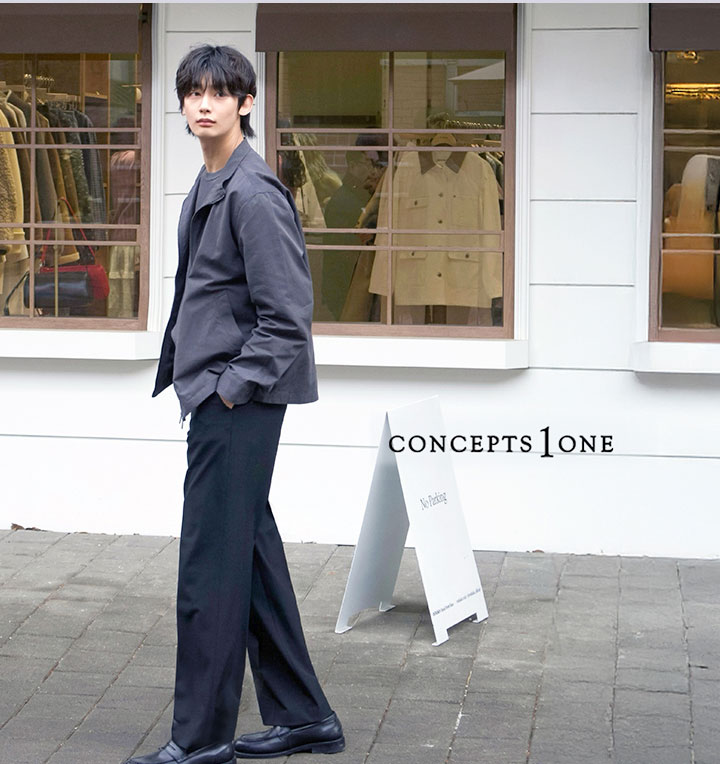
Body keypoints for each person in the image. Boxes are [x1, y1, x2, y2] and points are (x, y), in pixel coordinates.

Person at [124, 45, 344, 764]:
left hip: (236, 400)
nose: (204, 104)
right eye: (193, 93)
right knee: (247, 554)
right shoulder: (211, 178)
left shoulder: (252, 191)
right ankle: (305, 716)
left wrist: (227, 388)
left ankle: (200, 740)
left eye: (219, 93)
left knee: (209, 572)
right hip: (221, 392)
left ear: (246, 103)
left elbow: (288, 315)